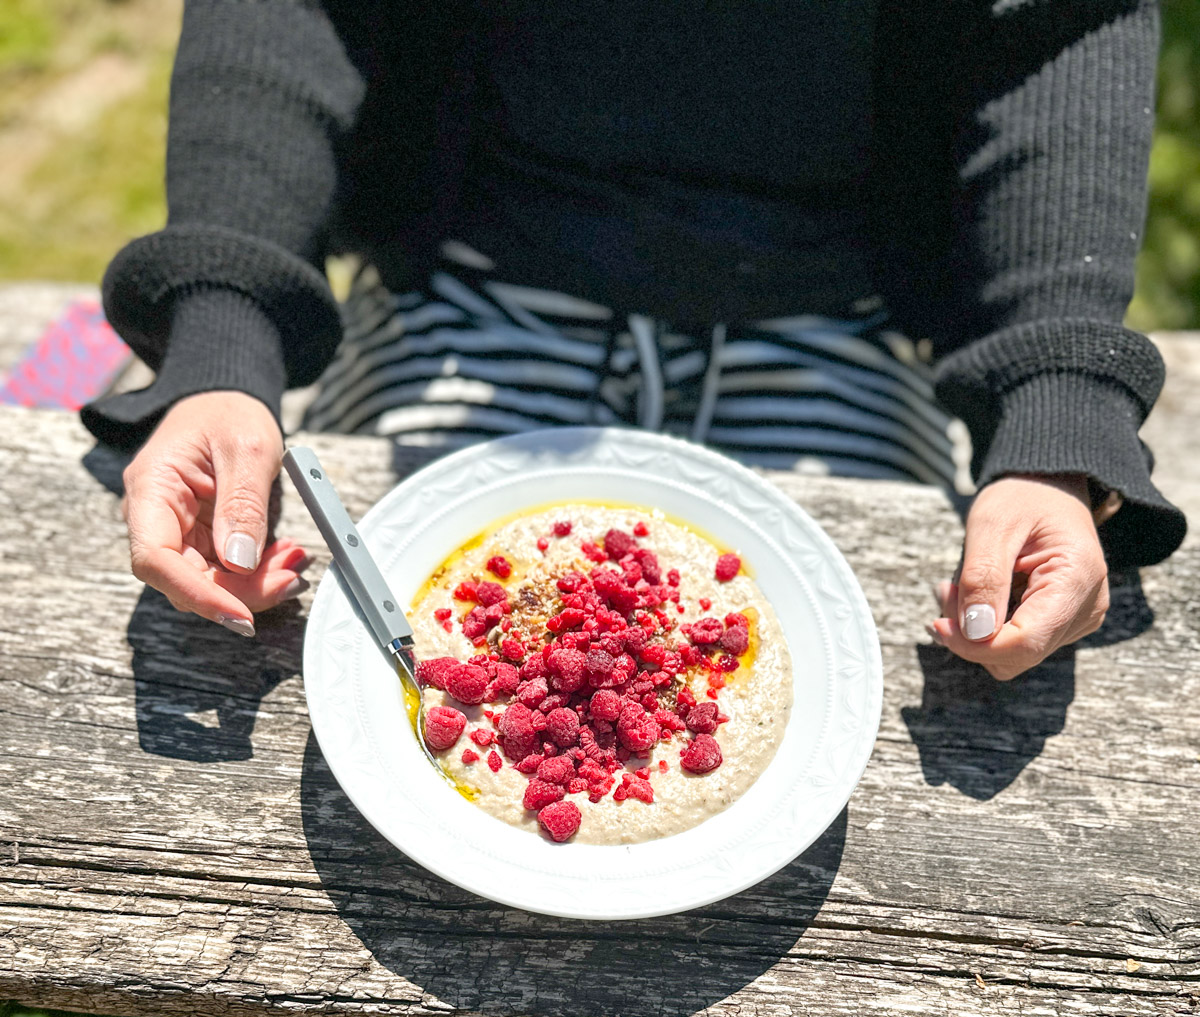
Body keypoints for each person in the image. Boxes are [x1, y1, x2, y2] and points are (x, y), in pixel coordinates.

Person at [83, 0, 1185, 679]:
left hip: (837, 305)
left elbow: (1058, 29)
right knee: (356, 673)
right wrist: (223, 338)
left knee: (850, 689)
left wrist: (1054, 421)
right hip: (474, 272)